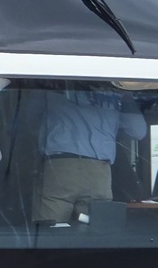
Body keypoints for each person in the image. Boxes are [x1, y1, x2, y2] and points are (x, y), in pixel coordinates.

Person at [33, 87, 147, 224]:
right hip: (99, 173)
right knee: (97, 231)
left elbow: (28, 117)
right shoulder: (114, 93)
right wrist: (127, 97)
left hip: (60, 167)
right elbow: (138, 131)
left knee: (49, 230)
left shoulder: (53, 86)